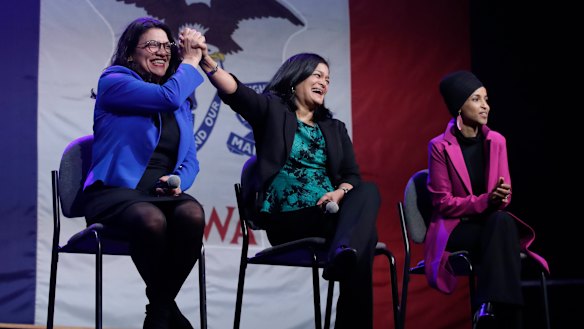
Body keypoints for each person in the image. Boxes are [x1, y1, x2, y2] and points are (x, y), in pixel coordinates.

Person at [197, 51, 380, 328]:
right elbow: (237, 93)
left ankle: (343, 252)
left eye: (328, 79)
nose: (324, 83)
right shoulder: (273, 112)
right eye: (317, 75)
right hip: (288, 218)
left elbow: (352, 174)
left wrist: (339, 192)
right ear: (296, 79)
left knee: (367, 193)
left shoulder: (334, 128)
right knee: (363, 241)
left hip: (328, 212)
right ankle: (345, 256)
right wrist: (209, 64)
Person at [83, 17, 207, 329]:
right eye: (152, 44)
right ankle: (166, 313)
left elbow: (190, 161)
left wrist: (178, 182)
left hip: (159, 195)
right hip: (114, 193)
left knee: (191, 213)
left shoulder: (179, 103)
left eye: (167, 46)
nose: (163, 51)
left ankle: (159, 311)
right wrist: (191, 60)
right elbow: (166, 97)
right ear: (129, 54)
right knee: (150, 219)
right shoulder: (114, 81)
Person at [425, 70, 549, 329]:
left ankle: (488, 308)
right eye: (476, 99)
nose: (485, 106)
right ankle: (510, 317)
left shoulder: (497, 141)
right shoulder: (439, 146)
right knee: (502, 230)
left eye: (486, 99)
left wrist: (497, 200)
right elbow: (442, 203)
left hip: (491, 225)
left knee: (501, 221)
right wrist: (486, 201)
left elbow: (504, 198)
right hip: (457, 228)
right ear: (460, 106)